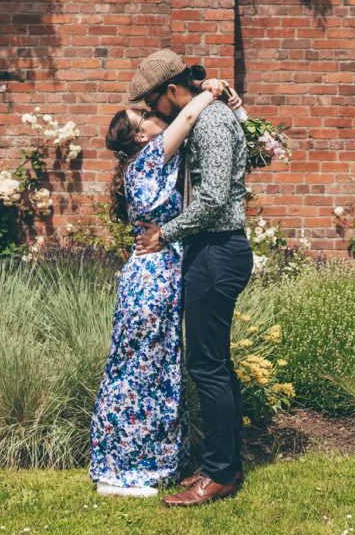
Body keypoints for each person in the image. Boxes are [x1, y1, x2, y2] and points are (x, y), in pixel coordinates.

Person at [89, 69, 240, 497]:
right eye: (143, 117)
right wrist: (209, 92)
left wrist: (232, 107)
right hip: (154, 277)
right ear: (140, 137)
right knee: (148, 372)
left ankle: (131, 464)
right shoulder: (151, 156)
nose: (153, 116)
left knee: (140, 369)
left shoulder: (142, 164)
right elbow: (188, 121)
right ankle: (132, 472)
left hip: (145, 276)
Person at [130, 49, 253, 508]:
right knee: (214, 362)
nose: (149, 113)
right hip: (211, 250)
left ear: (172, 92)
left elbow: (215, 198)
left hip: (219, 250)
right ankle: (225, 465)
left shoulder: (213, 122)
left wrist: (166, 234)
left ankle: (219, 475)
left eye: (151, 103)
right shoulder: (210, 118)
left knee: (207, 365)